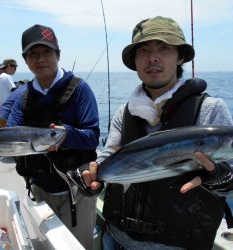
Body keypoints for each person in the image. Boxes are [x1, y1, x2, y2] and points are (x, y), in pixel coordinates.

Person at [82, 16, 233, 250]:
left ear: (180, 56)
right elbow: (108, 156)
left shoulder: (211, 110)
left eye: (163, 48)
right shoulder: (125, 111)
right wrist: (92, 176)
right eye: (143, 50)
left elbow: (230, 179)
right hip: (115, 239)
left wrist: (217, 176)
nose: (152, 57)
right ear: (135, 60)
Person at [7, 24, 100, 250]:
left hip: (75, 190)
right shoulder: (23, 96)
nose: (40, 59)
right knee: (48, 244)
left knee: (78, 245)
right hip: (39, 188)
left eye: (47, 52)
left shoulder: (80, 90)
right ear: (26, 60)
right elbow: (11, 135)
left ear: (58, 55)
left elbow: (92, 136)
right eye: (33, 54)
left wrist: (65, 135)